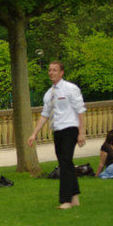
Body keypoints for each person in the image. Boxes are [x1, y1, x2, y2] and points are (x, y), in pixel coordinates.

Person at [28, 61, 86, 209]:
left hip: (70, 128)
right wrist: (34, 134)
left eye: (54, 70)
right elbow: (45, 115)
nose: (51, 72)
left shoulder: (71, 89)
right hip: (57, 130)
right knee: (65, 163)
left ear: (62, 72)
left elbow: (81, 111)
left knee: (66, 162)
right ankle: (75, 198)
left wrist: (81, 133)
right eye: (49, 70)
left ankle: (65, 201)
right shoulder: (48, 94)